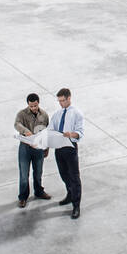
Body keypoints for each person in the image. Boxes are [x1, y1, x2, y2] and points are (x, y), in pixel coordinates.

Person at [49, 87, 84, 219]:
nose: (61, 103)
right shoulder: (57, 114)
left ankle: (76, 205)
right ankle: (70, 193)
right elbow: (51, 128)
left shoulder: (77, 113)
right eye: (59, 101)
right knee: (63, 173)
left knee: (74, 176)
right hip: (59, 147)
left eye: (63, 101)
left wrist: (71, 134)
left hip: (70, 147)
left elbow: (80, 133)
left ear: (69, 98)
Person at [14, 93, 53, 209]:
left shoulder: (44, 115)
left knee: (38, 172)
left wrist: (47, 148)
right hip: (25, 148)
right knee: (24, 174)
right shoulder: (22, 114)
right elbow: (17, 124)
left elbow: (47, 132)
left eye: (35, 105)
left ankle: (39, 191)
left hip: (38, 148)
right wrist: (26, 131)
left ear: (38, 103)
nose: (33, 108)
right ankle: (23, 197)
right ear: (28, 104)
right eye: (31, 106)